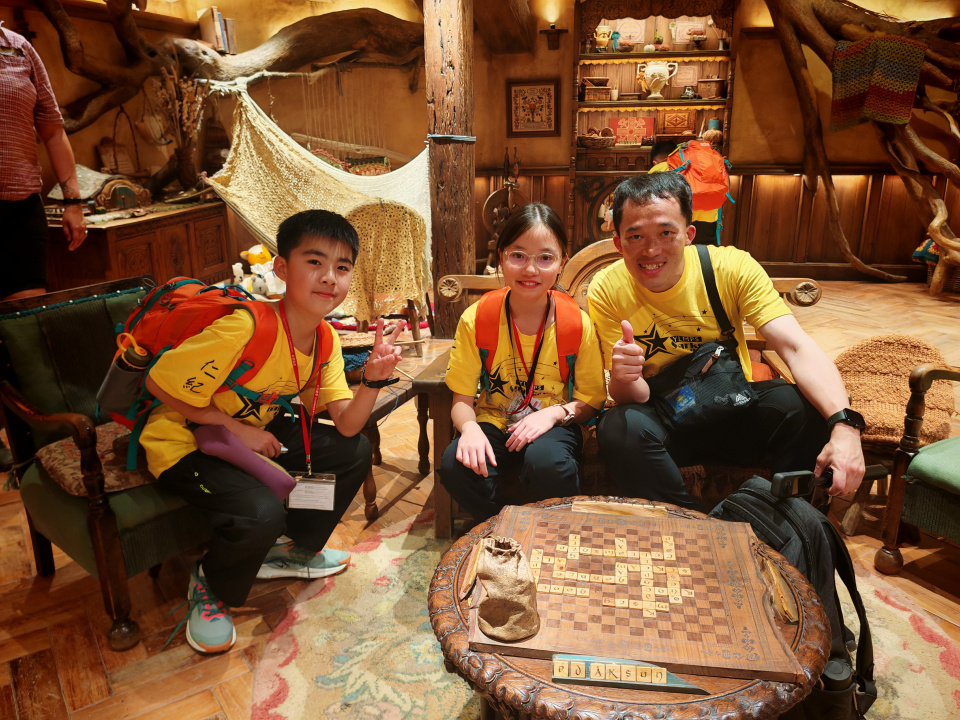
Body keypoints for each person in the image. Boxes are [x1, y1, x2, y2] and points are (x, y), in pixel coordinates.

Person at [140, 209, 404, 653]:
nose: (329, 277)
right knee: (263, 512)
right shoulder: (244, 326)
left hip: (248, 433)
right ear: (282, 267)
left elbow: (347, 423)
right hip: (183, 440)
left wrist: (372, 381)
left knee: (353, 451)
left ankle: (287, 551)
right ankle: (211, 583)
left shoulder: (325, 339)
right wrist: (236, 429)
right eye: (314, 262)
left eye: (342, 267)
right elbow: (158, 384)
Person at [589, 172, 865, 510]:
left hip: (732, 406)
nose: (651, 250)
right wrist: (623, 376)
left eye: (666, 232)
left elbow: (795, 347)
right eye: (635, 236)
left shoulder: (730, 268)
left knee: (804, 408)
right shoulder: (607, 288)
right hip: (663, 419)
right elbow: (629, 397)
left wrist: (845, 426)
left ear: (688, 235)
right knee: (618, 426)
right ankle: (692, 524)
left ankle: (782, 522)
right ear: (618, 243)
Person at [440, 203, 607, 522]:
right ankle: (503, 524)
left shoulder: (576, 323)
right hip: (494, 421)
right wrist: (469, 428)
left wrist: (554, 414)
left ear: (561, 262)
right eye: (518, 255)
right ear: (501, 257)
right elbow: (461, 400)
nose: (531, 270)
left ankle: (550, 528)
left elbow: (590, 402)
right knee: (454, 465)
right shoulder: (477, 319)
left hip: (553, 426)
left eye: (545, 258)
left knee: (548, 462)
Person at [0, 23, 86, 300]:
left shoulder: (20, 47)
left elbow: (53, 132)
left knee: (28, 316)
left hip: (20, 210)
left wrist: (73, 203)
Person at [648, 139, 720, 246]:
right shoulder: (694, 165)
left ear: (654, 162)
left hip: (678, 221)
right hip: (709, 219)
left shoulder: (657, 170)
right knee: (704, 253)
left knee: (680, 254)